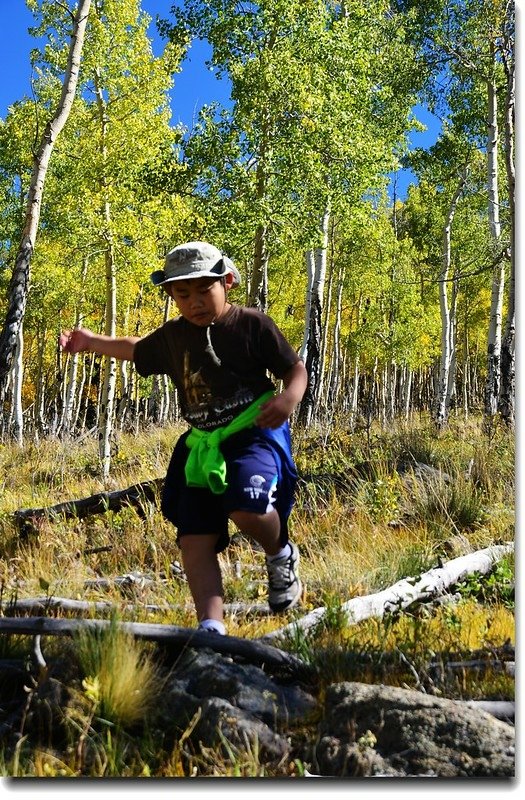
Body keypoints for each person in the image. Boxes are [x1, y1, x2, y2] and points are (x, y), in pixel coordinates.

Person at [60, 241, 308, 636]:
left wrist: (289, 397)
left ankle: (280, 554)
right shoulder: (174, 337)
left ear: (227, 281)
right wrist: (91, 342)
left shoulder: (251, 325)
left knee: (247, 509)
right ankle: (211, 627)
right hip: (201, 443)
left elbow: (295, 368)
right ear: (171, 294)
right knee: (194, 538)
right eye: (182, 293)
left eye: (203, 290)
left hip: (251, 432)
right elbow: (136, 348)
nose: (195, 302)